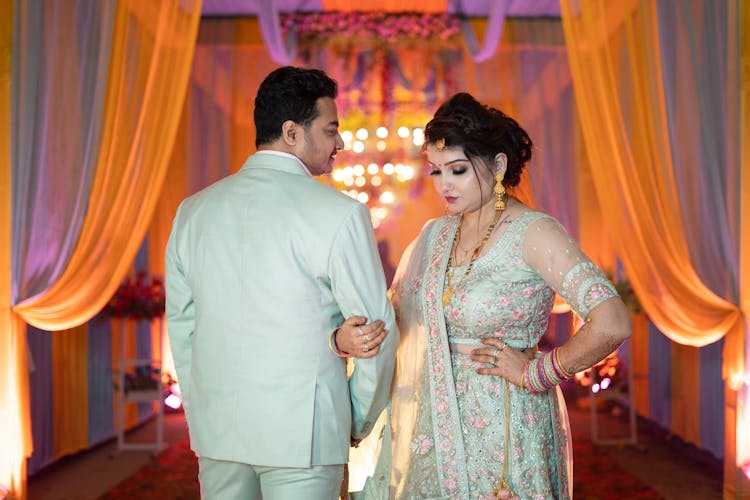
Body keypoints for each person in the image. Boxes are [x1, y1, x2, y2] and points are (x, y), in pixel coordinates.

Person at [348, 92, 632, 499]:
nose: (444, 184)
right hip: (433, 425)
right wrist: (343, 338)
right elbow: (395, 318)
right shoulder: (434, 234)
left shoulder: (534, 232)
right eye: (436, 171)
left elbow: (612, 321)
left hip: (506, 428)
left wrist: (538, 373)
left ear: (497, 165)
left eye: (458, 170)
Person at [165, 66, 399, 500]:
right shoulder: (340, 213)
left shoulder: (193, 211)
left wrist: (202, 413)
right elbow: (376, 332)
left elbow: (183, 328)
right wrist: (355, 418)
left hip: (219, 430)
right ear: (292, 133)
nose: (341, 143)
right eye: (331, 130)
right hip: (305, 435)